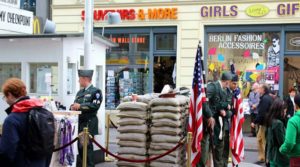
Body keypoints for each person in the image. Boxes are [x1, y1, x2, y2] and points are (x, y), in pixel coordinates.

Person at [0, 78, 49, 167]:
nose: (6, 100)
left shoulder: (12, 119)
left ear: (10, 95)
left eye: (5, 97)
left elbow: (7, 151)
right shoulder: (43, 113)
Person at [70, 70, 102, 167]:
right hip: (80, 122)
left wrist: (80, 106)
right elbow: (76, 104)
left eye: (79, 79)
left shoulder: (96, 91)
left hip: (88, 123)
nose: (78, 81)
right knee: (80, 147)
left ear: (85, 79)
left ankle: (89, 165)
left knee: (86, 147)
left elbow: (95, 105)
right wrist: (73, 106)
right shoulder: (80, 92)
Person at [207, 71, 232, 167]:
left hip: (220, 123)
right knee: (211, 150)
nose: (229, 85)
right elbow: (205, 100)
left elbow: (226, 107)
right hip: (211, 122)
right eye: (229, 82)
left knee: (219, 150)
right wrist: (210, 115)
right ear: (227, 82)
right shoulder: (213, 86)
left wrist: (224, 110)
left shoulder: (225, 90)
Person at [251, 84, 273, 164]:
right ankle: (262, 158)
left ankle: (266, 159)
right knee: (259, 139)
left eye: (259, 88)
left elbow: (262, 112)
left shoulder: (265, 99)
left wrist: (254, 121)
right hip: (264, 123)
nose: (258, 89)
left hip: (264, 123)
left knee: (263, 141)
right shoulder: (266, 98)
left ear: (263, 90)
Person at [266, 98, 289, 167]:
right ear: (280, 110)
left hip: (272, 156)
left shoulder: (271, 120)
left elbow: (269, 142)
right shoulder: (278, 123)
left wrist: (268, 156)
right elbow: (282, 141)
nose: (285, 113)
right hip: (280, 157)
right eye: (284, 111)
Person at [280, 94, 300, 167]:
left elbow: (290, 143)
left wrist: (282, 149)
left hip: (297, 156)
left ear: (295, 105)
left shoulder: (293, 121)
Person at [223, 74, 239, 167]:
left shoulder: (234, 94)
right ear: (229, 83)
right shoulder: (225, 93)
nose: (235, 86)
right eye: (234, 83)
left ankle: (229, 162)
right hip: (224, 124)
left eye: (236, 84)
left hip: (230, 124)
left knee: (228, 147)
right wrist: (230, 113)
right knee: (224, 148)